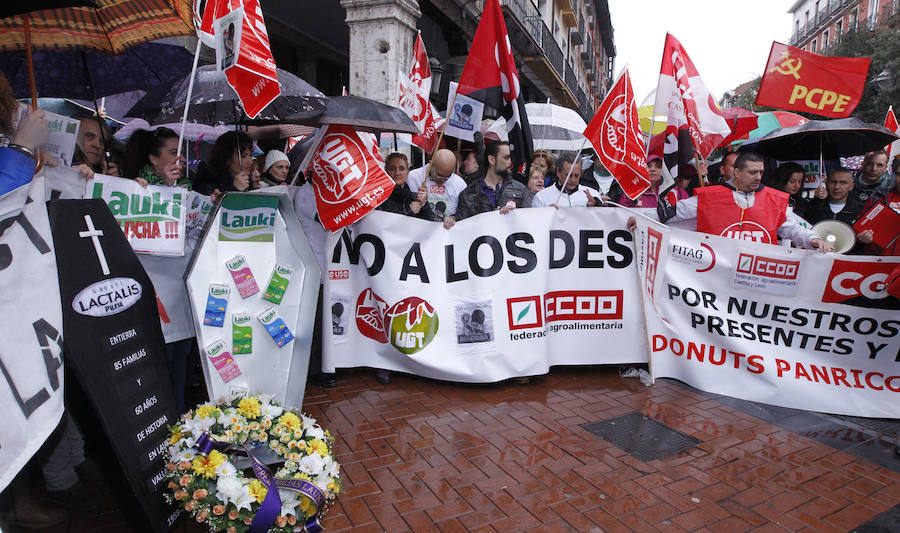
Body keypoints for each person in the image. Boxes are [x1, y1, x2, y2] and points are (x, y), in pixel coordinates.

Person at [659, 152, 832, 250]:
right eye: (752, 172)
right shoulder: (709, 198)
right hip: (715, 276)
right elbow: (668, 215)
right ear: (737, 173)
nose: (758, 177)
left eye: (761, 172)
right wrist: (639, 219)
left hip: (757, 278)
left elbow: (792, 229)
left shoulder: (773, 200)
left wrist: (812, 239)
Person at [454, 141, 532, 223]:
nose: (511, 162)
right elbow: (461, 227)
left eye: (511, 158)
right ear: (491, 160)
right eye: (506, 158)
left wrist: (515, 214)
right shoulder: (469, 193)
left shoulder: (520, 189)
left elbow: (529, 221)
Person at [406, 148, 467, 228]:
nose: (443, 180)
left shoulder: (459, 184)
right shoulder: (413, 177)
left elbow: (465, 212)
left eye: (448, 177)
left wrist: (454, 218)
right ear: (431, 164)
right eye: (439, 175)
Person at [857, 157, 900, 255]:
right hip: (879, 263)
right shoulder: (878, 198)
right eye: (899, 174)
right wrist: (862, 237)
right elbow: (859, 229)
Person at [123, 127, 188, 188]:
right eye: (174, 153)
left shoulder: (188, 184)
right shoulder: (134, 185)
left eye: (182, 153)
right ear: (154, 159)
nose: (182, 158)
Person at [531, 152, 601, 208]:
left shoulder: (593, 195)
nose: (573, 180)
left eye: (576, 175)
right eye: (568, 175)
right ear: (558, 172)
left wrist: (596, 206)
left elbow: (602, 222)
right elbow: (536, 224)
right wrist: (547, 214)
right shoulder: (541, 197)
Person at [192, 131, 252, 196]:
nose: (250, 162)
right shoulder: (209, 181)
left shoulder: (249, 180)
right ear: (227, 158)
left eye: (251, 155)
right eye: (243, 156)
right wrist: (234, 189)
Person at [377, 153, 434, 220]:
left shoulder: (413, 196)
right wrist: (408, 210)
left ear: (407, 172)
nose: (397, 173)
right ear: (386, 171)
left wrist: (423, 203)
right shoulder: (379, 197)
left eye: (402, 169)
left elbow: (429, 221)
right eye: (392, 169)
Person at [617, 156, 685, 207]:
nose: (652, 169)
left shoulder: (676, 191)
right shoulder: (633, 191)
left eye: (658, 166)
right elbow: (621, 214)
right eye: (648, 166)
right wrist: (631, 200)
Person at [72, 112, 119, 178]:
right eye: (89, 136)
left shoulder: (109, 173)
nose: (97, 145)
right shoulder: (57, 168)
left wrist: (108, 181)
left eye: (102, 141)